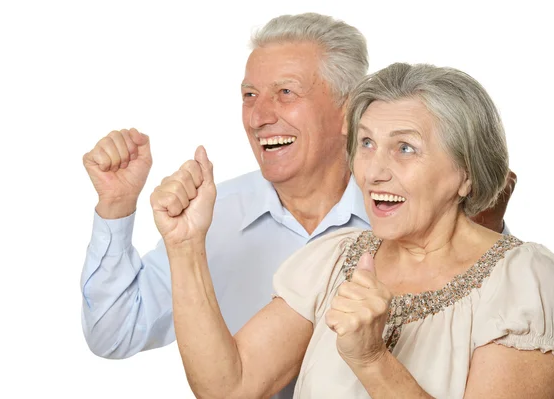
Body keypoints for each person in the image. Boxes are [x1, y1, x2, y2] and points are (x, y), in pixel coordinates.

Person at [80, 13, 515, 398]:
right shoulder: (210, 215)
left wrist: (485, 224)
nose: (258, 116)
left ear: (350, 109)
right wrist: (117, 207)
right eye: (249, 96)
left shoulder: (424, 213)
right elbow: (115, 334)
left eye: (285, 92)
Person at [152, 62, 554, 398]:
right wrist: (185, 246)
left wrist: (372, 359)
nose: (374, 172)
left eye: (405, 148)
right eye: (366, 143)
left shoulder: (522, 280)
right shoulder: (331, 259)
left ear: (465, 174)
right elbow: (229, 386)